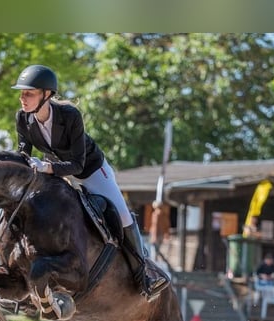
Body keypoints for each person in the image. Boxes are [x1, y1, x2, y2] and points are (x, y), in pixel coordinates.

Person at [11, 64, 168, 301]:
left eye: (29, 93)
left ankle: (145, 271)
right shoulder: (22, 118)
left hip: (90, 170)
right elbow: (23, 152)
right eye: (22, 93)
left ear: (47, 95)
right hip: (53, 172)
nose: (23, 98)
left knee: (123, 215)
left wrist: (48, 167)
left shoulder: (70, 116)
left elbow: (78, 164)